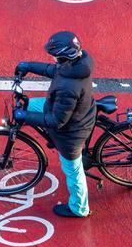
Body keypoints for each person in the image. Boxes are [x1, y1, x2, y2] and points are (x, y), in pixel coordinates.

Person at [14, 31, 96, 218]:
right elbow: (54, 71)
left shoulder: (68, 87)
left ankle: (79, 208)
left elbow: (57, 122)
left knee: (73, 173)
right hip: (74, 110)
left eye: (54, 55)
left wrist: (24, 116)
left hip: (71, 133)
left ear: (63, 56)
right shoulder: (78, 63)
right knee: (31, 105)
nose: (53, 59)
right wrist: (28, 66)